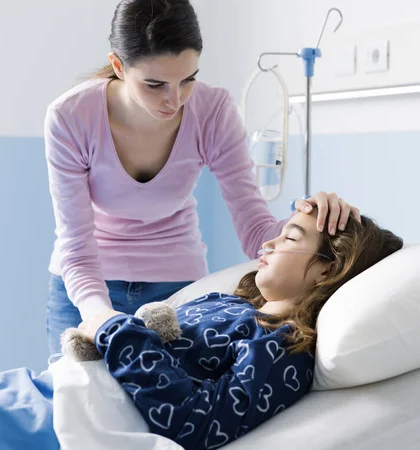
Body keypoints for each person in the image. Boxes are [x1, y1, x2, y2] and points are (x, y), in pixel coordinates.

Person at [0, 208, 402, 450]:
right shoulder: (230, 302)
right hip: (46, 389)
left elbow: (196, 423)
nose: (270, 240)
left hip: (68, 421)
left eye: (291, 235)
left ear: (326, 269)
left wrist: (115, 329)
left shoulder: (280, 349)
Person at [44, 0, 360, 356]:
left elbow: (256, 232)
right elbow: (76, 244)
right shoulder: (71, 117)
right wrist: (99, 315)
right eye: (155, 84)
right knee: (73, 403)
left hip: (176, 286)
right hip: (85, 286)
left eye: (188, 80)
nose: (174, 100)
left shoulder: (213, 111)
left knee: (163, 401)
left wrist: (315, 216)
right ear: (118, 66)